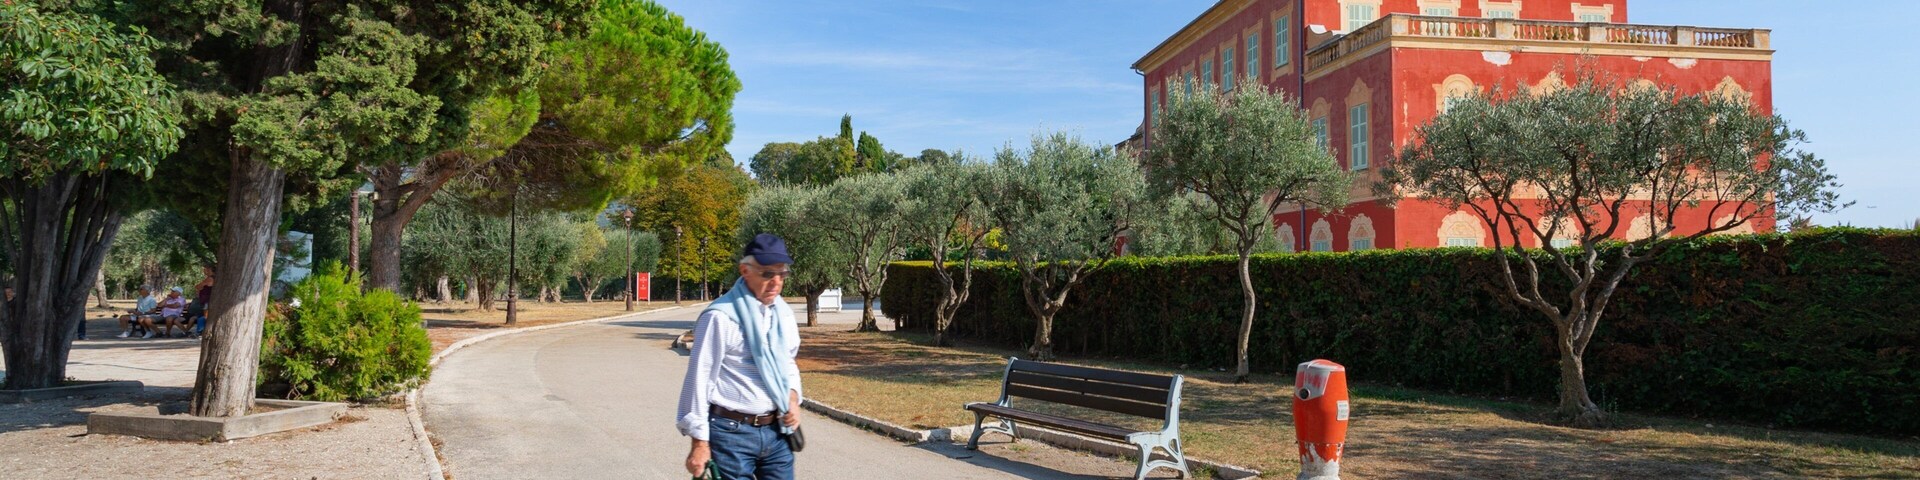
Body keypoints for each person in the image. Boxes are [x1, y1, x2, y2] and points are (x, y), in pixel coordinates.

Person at [677, 233, 803, 480]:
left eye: (782, 274)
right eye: (767, 274)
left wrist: (792, 396)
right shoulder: (720, 317)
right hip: (730, 434)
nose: (776, 282)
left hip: (777, 432)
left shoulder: (783, 314)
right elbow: (699, 381)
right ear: (745, 271)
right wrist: (700, 444)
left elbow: (788, 362)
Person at [185, 266, 214, 337]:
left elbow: (198, 286)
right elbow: (198, 287)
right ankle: (200, 331)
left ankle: (200, 332)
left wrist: (201, 287)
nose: (204, 271)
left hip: (207, 301)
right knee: (202, 317)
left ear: (209, 269)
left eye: (205, 269)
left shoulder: (210, 278)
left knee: (205, 317)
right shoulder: (208, 278)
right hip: (204, 301)